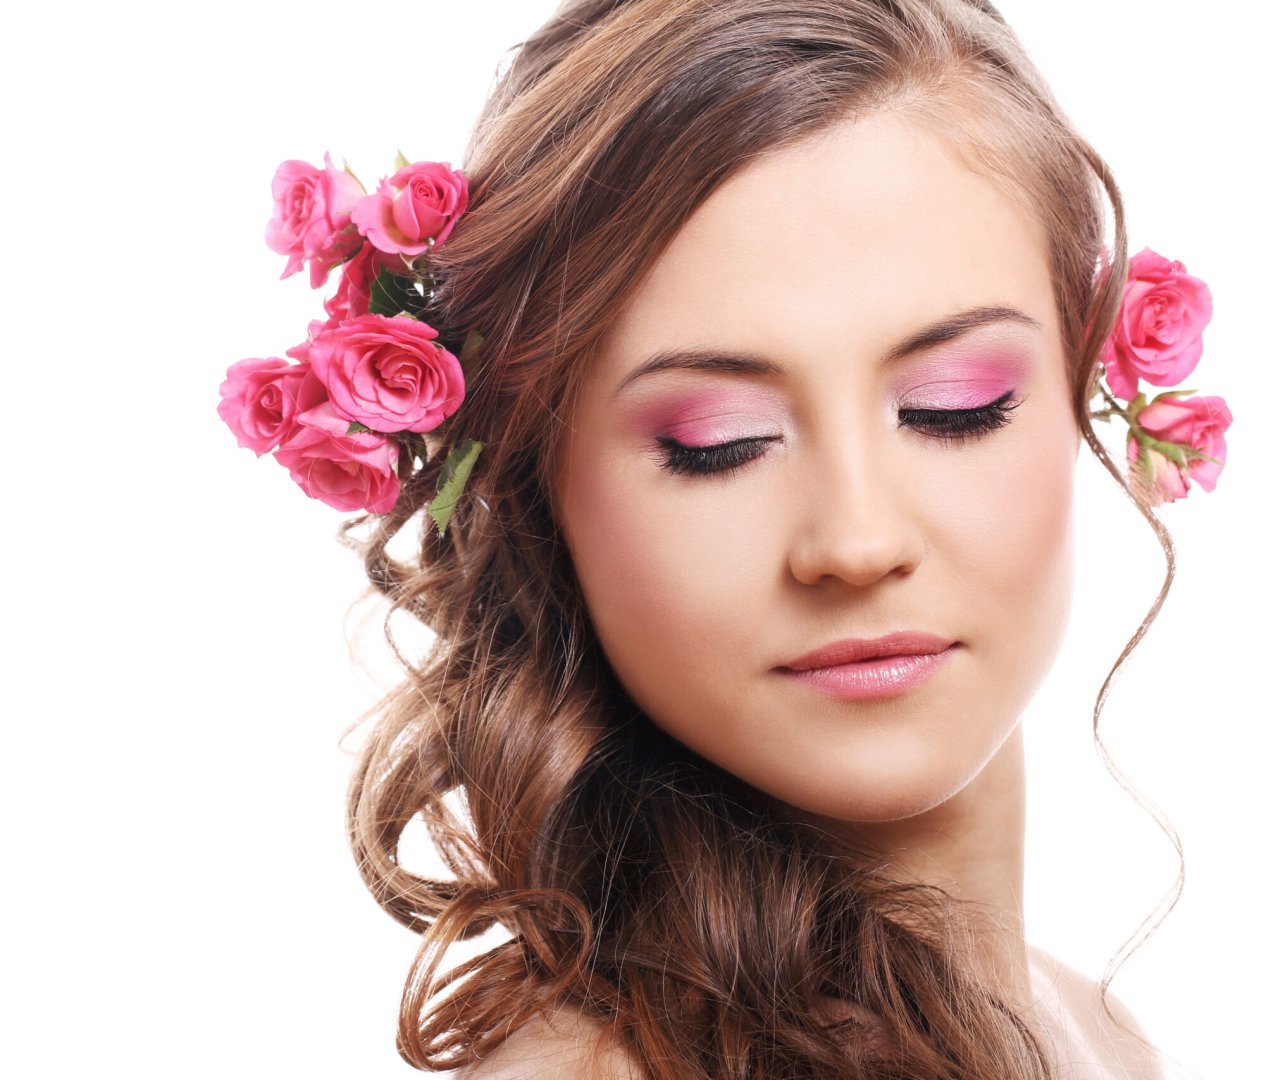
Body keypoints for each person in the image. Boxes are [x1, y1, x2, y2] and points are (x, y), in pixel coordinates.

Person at [220, 0, 1230, 1075]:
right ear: (533, 484)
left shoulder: (1099, 1036)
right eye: (718, 443)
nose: (855, 540)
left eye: (954, 404)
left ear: (1085, 387)